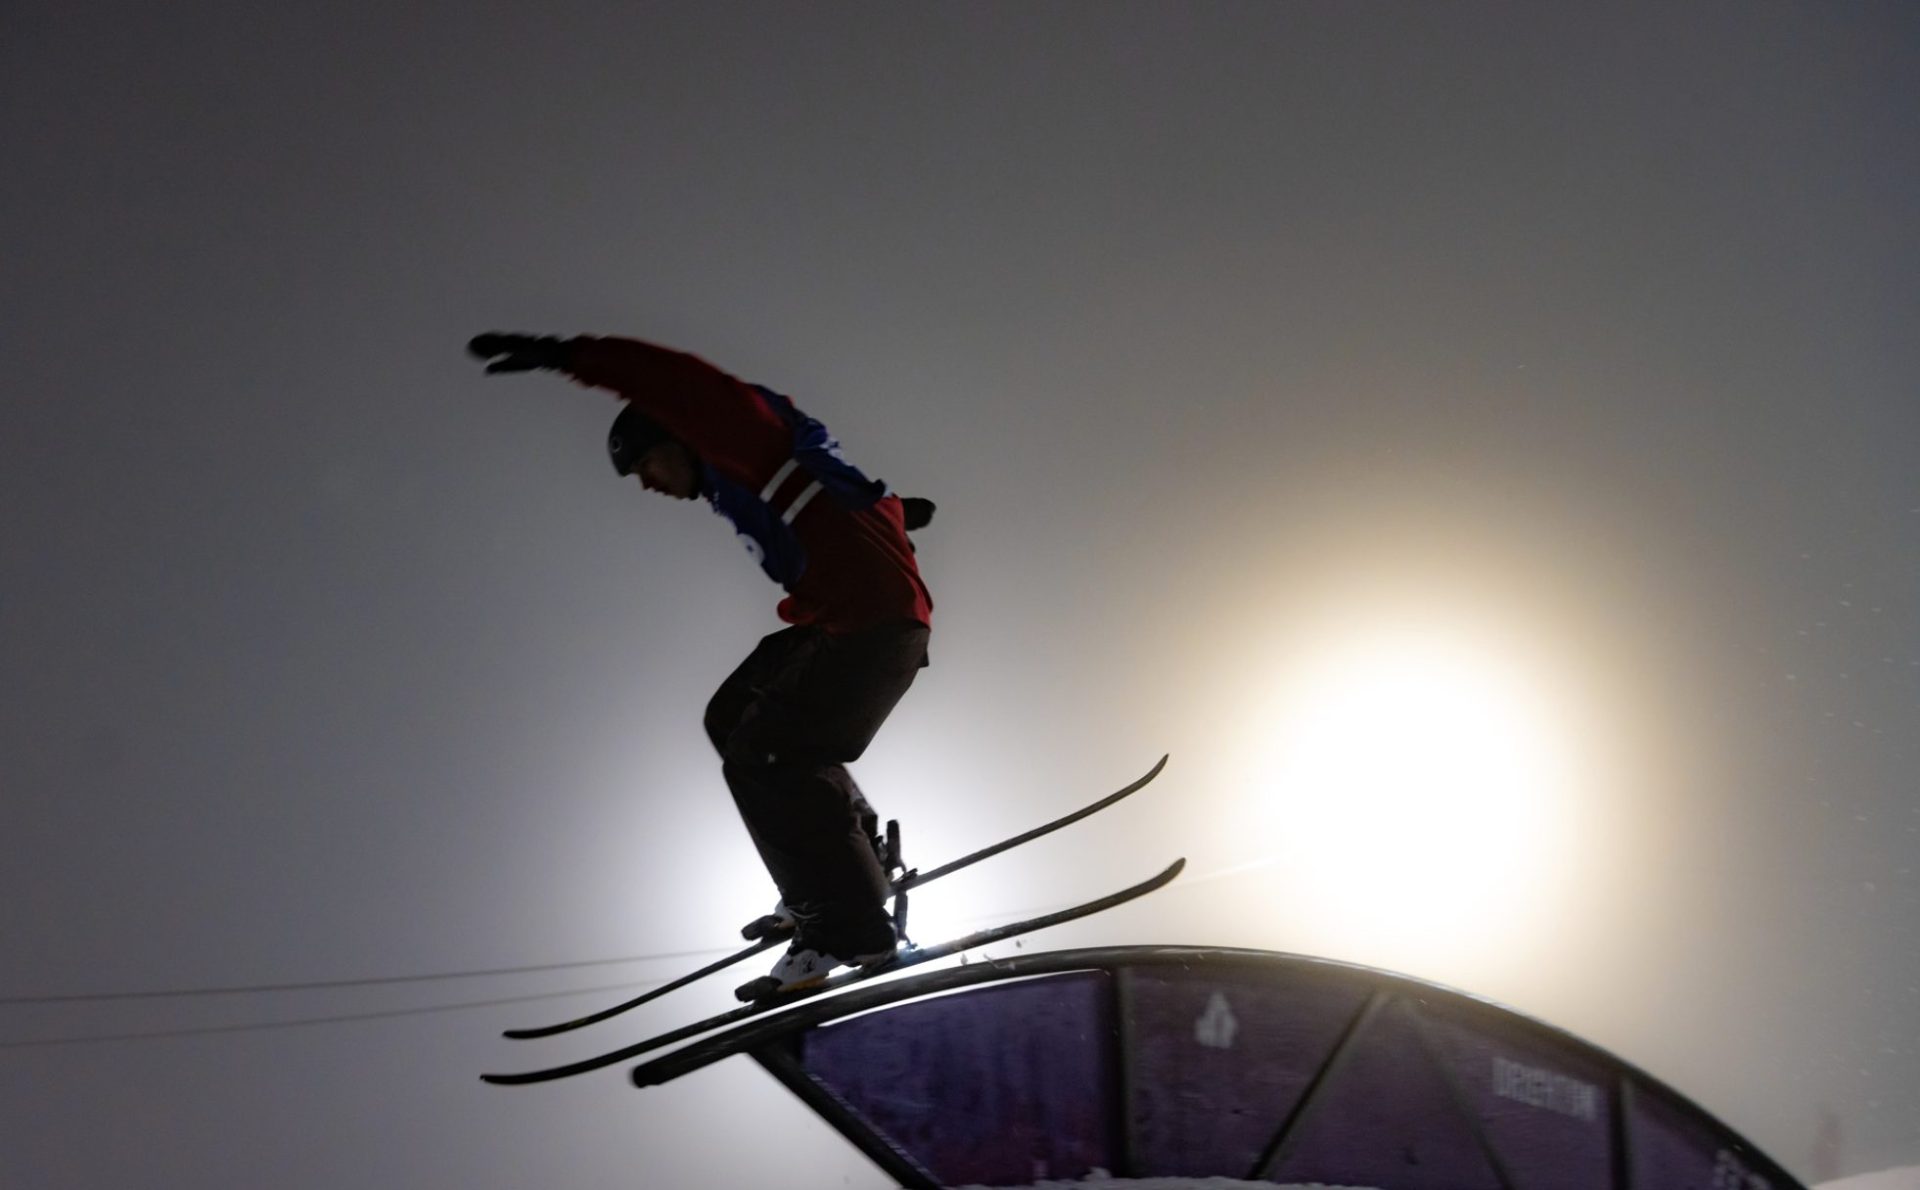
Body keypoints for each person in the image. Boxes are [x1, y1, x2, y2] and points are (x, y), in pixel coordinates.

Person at [467, 332, 933, 994]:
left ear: (674, 436)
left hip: (872, 631)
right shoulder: (752, 479)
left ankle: (846, 928)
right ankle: (851, 860)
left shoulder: (739, 441)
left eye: (645, 468)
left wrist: (568, 356)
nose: (649, 487)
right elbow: (853, 502)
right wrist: (893, 515)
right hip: (853, 624)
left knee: (766, 753)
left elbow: (684, 384)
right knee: (735, 716)